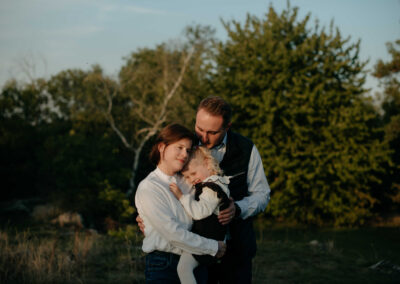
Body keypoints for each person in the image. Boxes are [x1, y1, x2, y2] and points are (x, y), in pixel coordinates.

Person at [137, 96, 271, 283]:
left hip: (235, 250)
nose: (203, 137)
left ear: (227, 127)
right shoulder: (185, 147)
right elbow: (167, 188)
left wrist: (238, 208)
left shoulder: (246, 149)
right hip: (195, 250)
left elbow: (262, 195)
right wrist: (150, 218)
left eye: (212, 132)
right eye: (199, 128)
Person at [135, 123, 226, 284]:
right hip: (164, 264)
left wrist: (229, 205)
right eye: (180, 147)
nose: (185, 154)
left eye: (188, 150)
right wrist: (213, 247)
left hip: (196, 260)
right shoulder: (149, 188)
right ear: (162, 147)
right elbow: (173, 234)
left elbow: (209, 204)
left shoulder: (189, 179)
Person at [169, 146, 231, 284]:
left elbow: (199, 212)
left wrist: (181, 196)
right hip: (211, 238)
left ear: (208, 164)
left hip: (209, 239)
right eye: (187, 177)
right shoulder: (214, 183)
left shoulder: (211, 188)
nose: (191, 180)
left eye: (193, 173)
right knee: (188, 269)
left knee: (184, 268)